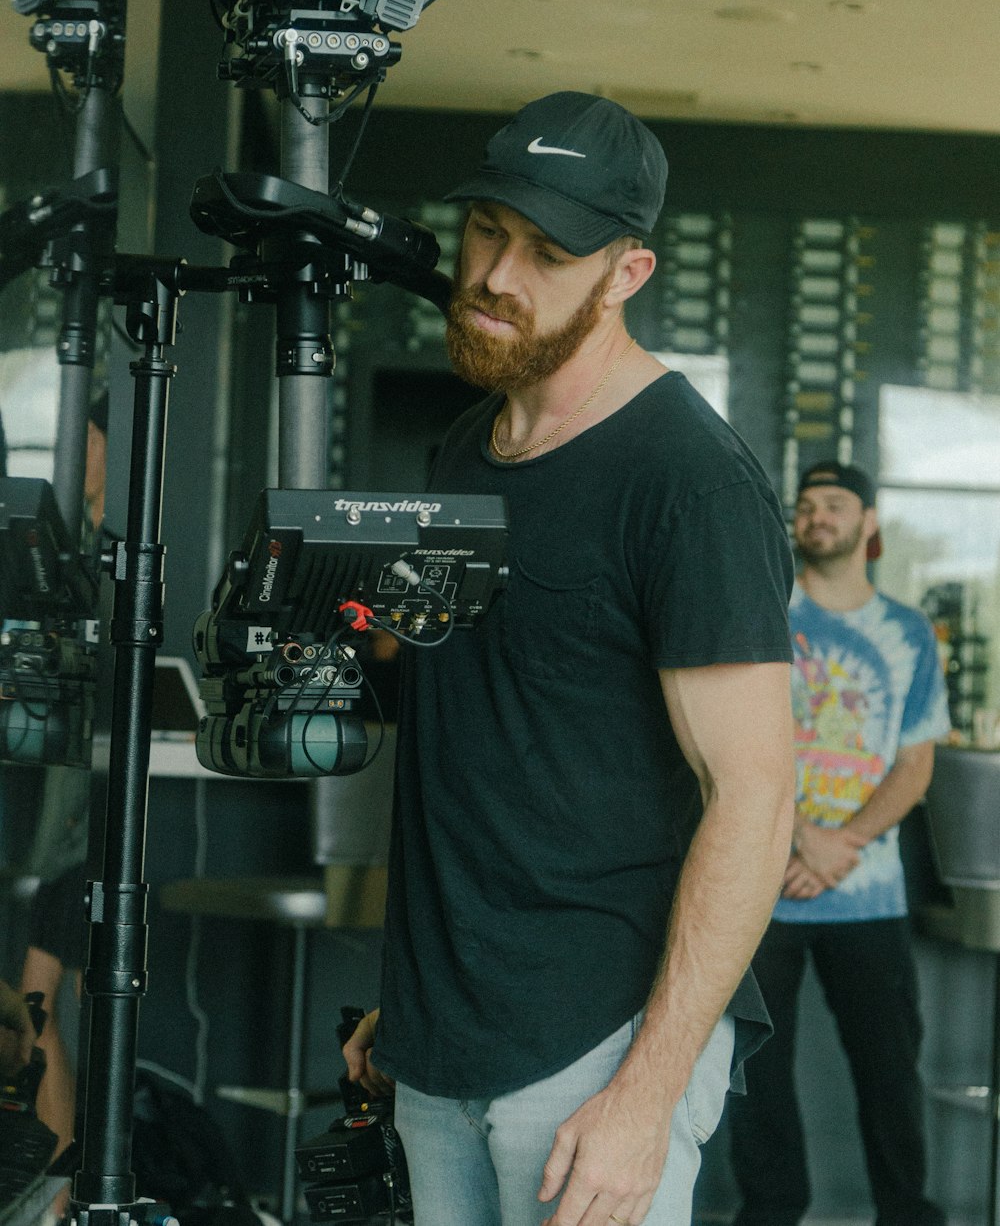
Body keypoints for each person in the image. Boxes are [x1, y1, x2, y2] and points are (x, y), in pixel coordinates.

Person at [343, 90, 796, 1226]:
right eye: (489, 231)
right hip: (443, 1036)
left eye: (548, 253)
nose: (498, 273)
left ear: (626, 274)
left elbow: (754, 796)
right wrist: (410, 1006)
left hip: (597, 1046)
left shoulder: (689, 482)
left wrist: (646, 1094)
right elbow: (475, 749)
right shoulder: (462, 446)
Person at [729, 460, 950, 1226]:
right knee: (757, 1072)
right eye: (807, 505)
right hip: (762, 886)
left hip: (869, 894)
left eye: (835, 504)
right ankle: (770, 1214)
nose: (817, 515)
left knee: (891, 1074)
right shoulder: (762, 613)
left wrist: (840, 843)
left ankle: (905, 1214)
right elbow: (725, 743)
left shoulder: (908, 633)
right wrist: (802, 838)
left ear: (870, 523)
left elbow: (915, 761)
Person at [19, 389, 110, 1167]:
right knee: (37, 1000)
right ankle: (54, 1176)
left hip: (94, 824)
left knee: (42, 999)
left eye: (82, 439)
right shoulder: (73, 547)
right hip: (60, 824)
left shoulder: (114, 553)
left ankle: (58, 1176)